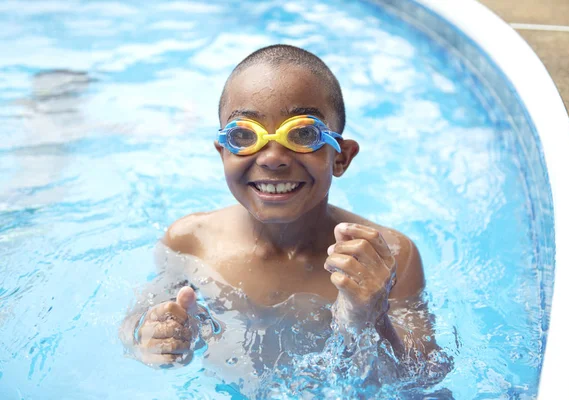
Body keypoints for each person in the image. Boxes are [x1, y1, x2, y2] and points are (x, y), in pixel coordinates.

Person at [120, 44, 441, 378]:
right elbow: (136, 322)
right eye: (244, 135)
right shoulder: (190, 241)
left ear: (341, 157)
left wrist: (373, 317)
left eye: (303, 133)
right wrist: (151, 338)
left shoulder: (388, 258)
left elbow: (425, 378)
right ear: (223, 154)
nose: (273, 157)